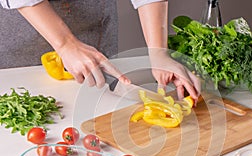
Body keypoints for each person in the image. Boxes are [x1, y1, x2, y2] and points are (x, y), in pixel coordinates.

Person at [0, 0, 200, 101]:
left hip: (95, 30)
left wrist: (158, 52)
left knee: (92, 107)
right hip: (27, 28)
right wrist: (64, 43)